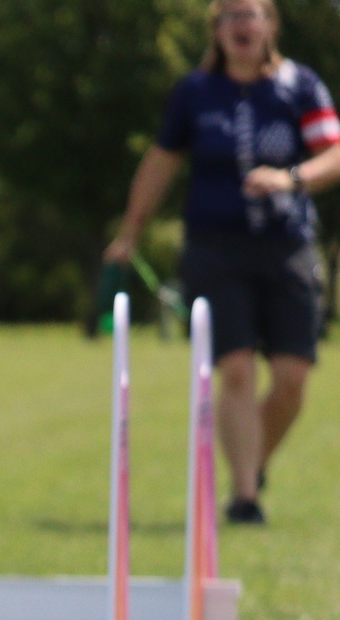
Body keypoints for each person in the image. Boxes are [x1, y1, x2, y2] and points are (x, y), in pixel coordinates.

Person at [109, 0, 340, 527]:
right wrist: (130, 232)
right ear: (216, 30)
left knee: (292, 377)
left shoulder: (300, 86)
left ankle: (250, 464)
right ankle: (244, 497)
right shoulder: (195, 92)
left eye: (250, 14)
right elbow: (161, 161)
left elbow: (334, 152)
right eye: (230, 15)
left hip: (287, 245)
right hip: (215, 249)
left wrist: (290, 179)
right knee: (235, 369)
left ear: (269, 26)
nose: (241, 24)